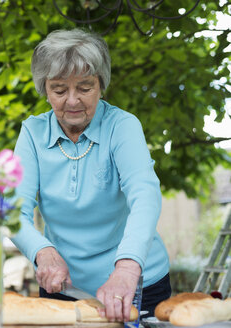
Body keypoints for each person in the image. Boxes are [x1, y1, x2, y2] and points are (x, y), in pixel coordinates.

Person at [11, 28, 171, 323]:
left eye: (84, 88)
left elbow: (145, 195)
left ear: (101, 85)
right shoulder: (32, 133)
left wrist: (126, 268)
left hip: (136, 284)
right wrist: (43, 252)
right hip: (63, 287)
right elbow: (11, 210)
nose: (72, 101)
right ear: (45, 89)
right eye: (59, 89)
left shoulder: (122, 126)